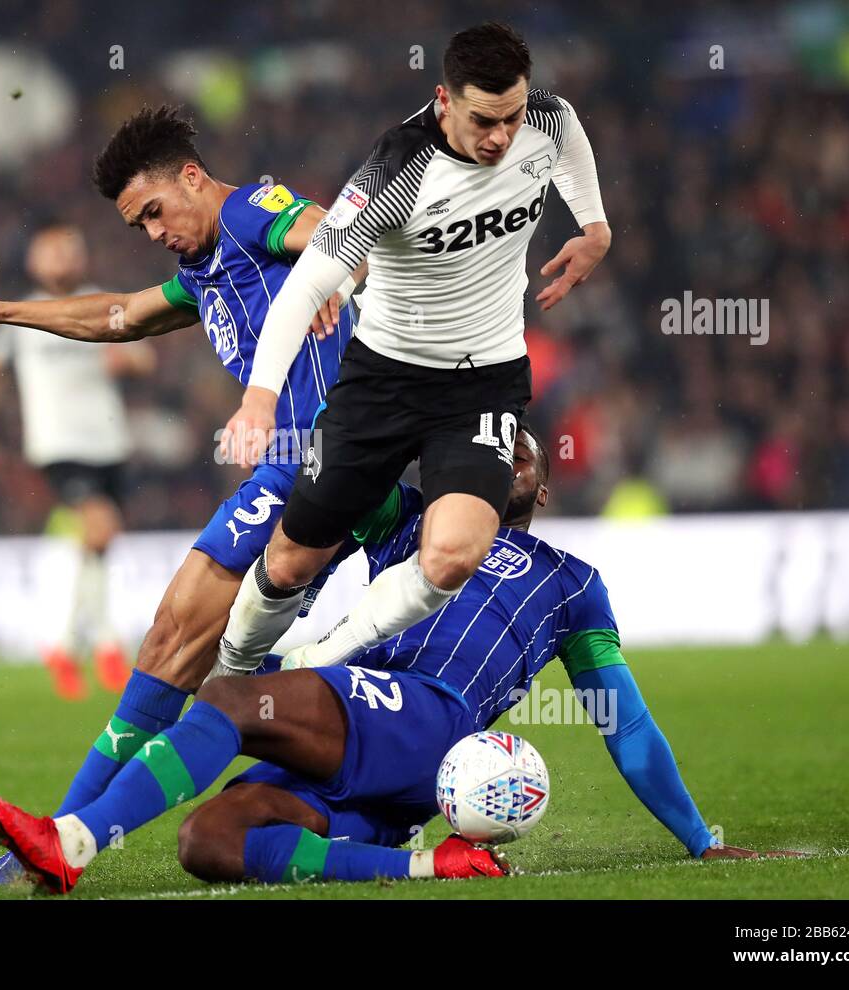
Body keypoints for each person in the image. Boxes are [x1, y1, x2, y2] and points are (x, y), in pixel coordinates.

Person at [0, 427, 795, 894]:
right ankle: (428, 863)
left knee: (238, 699)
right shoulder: (411, 521)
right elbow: (336, 482)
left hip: (429, 717)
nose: (505, 455)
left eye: (521, 453)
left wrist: (697, 840)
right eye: (488, 447)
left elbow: (628, 722)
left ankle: (70, 842)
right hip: (374, 760)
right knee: (208, 841)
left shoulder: (573, 583)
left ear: (539, 491)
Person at [0, 105, 362, 887]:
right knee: (182, 649)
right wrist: (2, 309)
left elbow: (332, 228)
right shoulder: (204, 268)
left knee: (185, 647)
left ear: (191, 178)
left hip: (316, 462)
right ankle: (57, 843)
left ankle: (60, 844)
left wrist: (329, 269)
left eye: (154, 211)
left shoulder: (249, 212)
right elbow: (118, 314)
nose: (153, 232)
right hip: (296, 471)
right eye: (138, 226)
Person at [215, 22, 613, 682]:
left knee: (453, 554)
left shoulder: (543, 118)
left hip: (485, 383)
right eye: (485, 121)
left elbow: (566, 132)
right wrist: (259, 398)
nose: (502, 137)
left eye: (512, 117)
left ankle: (313, 666)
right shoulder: (398, 167)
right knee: (290, 561)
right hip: (385, 381)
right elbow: (311, 278)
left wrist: (594, 224)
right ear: (444, 100)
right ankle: (230, 671)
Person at [0, 222, 153, 699]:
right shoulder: (21, 313)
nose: (64, 257)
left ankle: (75, 646)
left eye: (72, 247)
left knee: (99, 544)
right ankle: (92, 642)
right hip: (58, 445)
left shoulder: (101, 304)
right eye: (54, 249)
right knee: (100, 527)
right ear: (33, 259)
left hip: (109, 442)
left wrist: (125, 359)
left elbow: (145, 358)